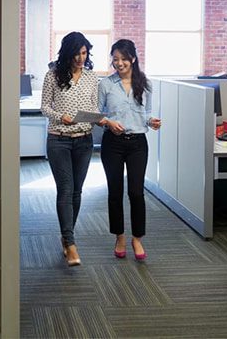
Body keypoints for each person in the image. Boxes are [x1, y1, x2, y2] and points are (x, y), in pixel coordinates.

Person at [98, 39, 161, 262]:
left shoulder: (145, 84)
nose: (119, 63)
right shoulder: (105, 84)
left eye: (124, 59)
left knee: (136, 192)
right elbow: (98, 115)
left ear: (133, 58)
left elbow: (147, 112)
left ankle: (137, 238)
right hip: (112, 144)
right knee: (115, 192)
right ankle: (120, 236)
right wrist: (107, 122)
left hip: (137, 143)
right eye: (115, 59)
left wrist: (152, 121)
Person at [41, 31, 99, 267]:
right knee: (65, 190)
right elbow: (44, 106)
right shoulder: (52, 75)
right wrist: (60, 116)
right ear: (67, 53)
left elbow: (93, 108)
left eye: (84, 53)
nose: (80, 58)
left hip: (84, 141)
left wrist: (101, 119)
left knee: (77, 192)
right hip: (59, 140)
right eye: (76, 53)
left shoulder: (91, 78)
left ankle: (66, 237)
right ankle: (71, 242)